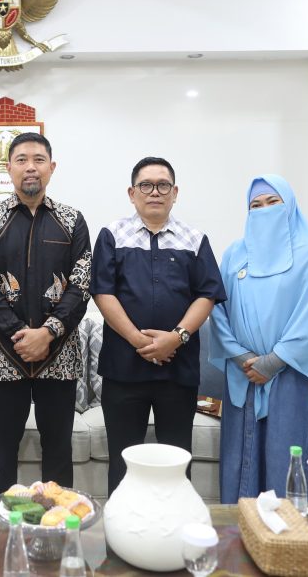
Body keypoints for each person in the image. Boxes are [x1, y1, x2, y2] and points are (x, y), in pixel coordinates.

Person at [91, 157, 226, 494]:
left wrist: (176, 338)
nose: (155, 192)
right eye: (146, 185)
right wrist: (138, 340)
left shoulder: (194, 239)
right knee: (123, 460)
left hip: (177, 369)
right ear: (132, 193)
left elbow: (207, 294)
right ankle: (122, 525)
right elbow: (103, 292)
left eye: (163, 185)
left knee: (177, 460)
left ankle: (176, 524)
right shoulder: (112, 235)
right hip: (124, 369)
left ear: (174, 193)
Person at [0, 132, 92, 495]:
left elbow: (82, 283)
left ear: (51, 168)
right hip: (6, 355)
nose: (30, 167)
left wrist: (48, 332)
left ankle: (58, 524)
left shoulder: (72, 220)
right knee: (2, 448)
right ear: (9, 169)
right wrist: (20, 335)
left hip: (60, 353)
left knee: (58, 449)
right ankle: (1, 521)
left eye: (38, 160)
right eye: (21, 160)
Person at [208, 175, 308, 503]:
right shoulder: (235, 253)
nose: (264, 210)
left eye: (272, 202)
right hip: (244, 373)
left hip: (293, 373)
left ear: (289, 205)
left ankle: (289, 533)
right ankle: (240, 530)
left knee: (286, 459)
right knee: (240, 462)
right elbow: (217, 309)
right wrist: (242, 358)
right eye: (255, 205)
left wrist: (273, 361)